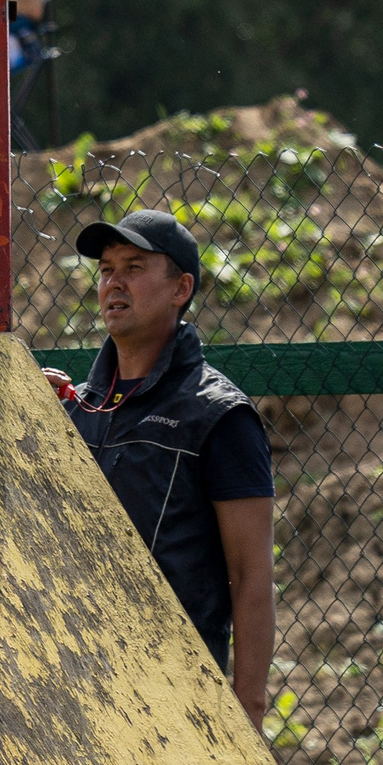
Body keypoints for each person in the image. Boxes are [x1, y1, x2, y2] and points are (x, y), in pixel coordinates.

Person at [49, 210, 277, 727]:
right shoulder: (75, 408)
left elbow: (251, 576)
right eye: (106, 269)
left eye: (134, 267)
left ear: (181, 289)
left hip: (173, 698)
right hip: (71, 689)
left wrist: (248, 710)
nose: (114, 282)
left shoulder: (220, 417)